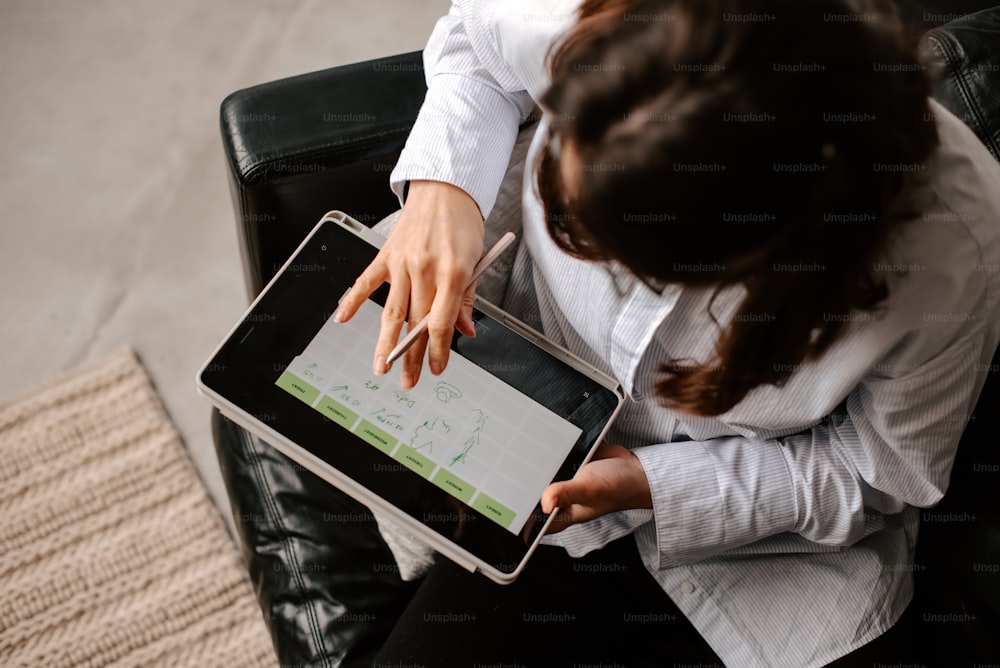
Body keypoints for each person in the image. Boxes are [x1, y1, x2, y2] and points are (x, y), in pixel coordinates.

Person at [333, 0, 1000, 665]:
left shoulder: (956, 246)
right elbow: (476, 43)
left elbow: (874, 470)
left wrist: (653, 486)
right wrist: (445, 190)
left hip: (766, 555)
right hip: (521, 379)